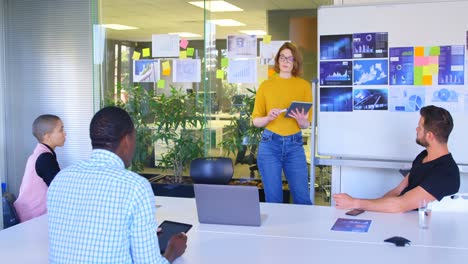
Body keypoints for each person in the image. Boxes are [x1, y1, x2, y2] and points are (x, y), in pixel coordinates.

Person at [47, 106, 187, 263]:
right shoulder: (135, 187)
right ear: (127, 140)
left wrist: (138, 236)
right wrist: (172, 252)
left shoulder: (60, 179)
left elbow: (85, 234)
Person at [334, 105, 460, 213]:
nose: (416, 129)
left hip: (422, 234)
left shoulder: (445, 173)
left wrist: (355, 203)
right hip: (401, 222)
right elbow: (397, 191)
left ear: (430, 136)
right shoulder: (423, 156)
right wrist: (371, 210)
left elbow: (401, 204)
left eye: (420, 127)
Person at [252, 42, 313, 205]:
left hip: (294, 144)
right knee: (274, 200)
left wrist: (301, 121)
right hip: (270, 144)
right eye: (283, 57)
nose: (286, 61)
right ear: (278, 60)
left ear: (295, 62)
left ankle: (305, 231)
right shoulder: (266, 86)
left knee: (302, 198)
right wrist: (268, 118)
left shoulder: (304, 86)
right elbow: (256, 120)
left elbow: (306, 124)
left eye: (290, 58)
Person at [14, 114, 66, 222]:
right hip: (31, 219)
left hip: (29, 215)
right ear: (47, 136)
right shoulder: (44, 158)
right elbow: (60, 191)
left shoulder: (41, 154)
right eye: (61, 130)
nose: (65, 133)